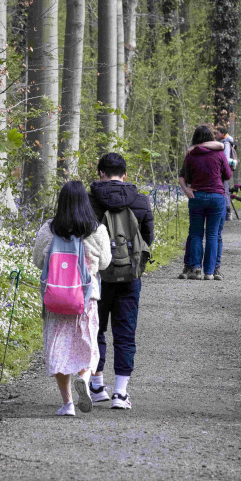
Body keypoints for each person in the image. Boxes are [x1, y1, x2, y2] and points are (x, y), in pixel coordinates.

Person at [33, 181, 112, 416]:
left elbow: (38, 260)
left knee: (58, 347)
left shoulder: (49, 229)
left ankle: (67, 404)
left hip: (56, 299)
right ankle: (85, 379)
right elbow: (106, 263)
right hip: (86, 299)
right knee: (88, 343)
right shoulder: (97, 230)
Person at [88, 153, 154, 410]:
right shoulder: (140, 200)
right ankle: (121, 393)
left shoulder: (89, 200)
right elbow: (148, 236)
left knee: (96, 329)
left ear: (100, 174)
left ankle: (96, 385)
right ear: (125, 175)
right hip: (130, 276)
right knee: (125, 333)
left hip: (97, 276)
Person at [178, 126, 232, 281]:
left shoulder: (190, 155)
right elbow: (227, 175)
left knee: (195, 233)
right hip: (216, 196)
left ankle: (195, 269)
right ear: (210, 138)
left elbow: (186, 176)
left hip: (197, 196)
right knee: (213, 234)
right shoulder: (219, 154)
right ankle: (210, 272)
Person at [213, 126, 237, 221]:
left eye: (217, 133)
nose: (216, 135)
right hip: (224, 170)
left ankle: (227, 212)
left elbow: (225, 159)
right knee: (224, 189)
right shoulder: (226, 142)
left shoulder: (226, 143)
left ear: (222, 134)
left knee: (225, 189)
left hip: (223, 170)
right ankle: (226, 212)